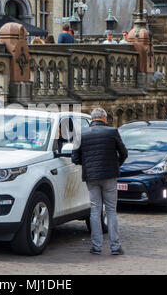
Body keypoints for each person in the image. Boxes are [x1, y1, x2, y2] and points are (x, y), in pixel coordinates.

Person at [71, 108, 128, 256]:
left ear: (92, 119)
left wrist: (88, 165)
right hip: (109, 176)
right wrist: (116, 165)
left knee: (95, 210)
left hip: (91, 176)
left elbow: (74, 158)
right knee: (111, 210)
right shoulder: (112, 132)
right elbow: (124, 153)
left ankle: (96, 246)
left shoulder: (81, 134)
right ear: (104, 118)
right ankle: (115, 246)